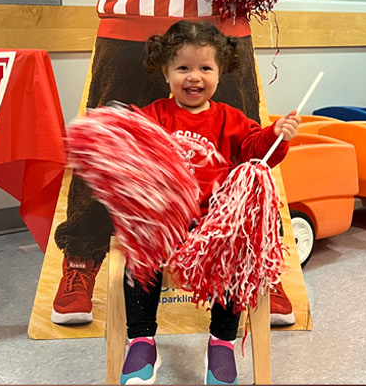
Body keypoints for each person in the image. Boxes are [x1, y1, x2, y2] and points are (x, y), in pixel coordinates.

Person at [117, 20, 301, 385]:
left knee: (234, 250)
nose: (193, 77)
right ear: (166, 71)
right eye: (183, 68)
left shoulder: (231, 119)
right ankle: (141, 340)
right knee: (140, 247)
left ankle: (222, 342)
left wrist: (276, 136)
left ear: (219, 73)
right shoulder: (153, 116)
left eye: (205, 68)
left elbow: (256, 154)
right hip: (165, 222)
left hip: (214, 225)